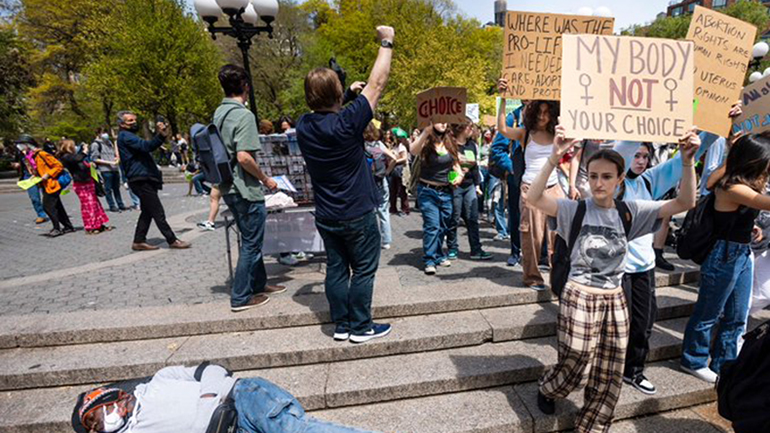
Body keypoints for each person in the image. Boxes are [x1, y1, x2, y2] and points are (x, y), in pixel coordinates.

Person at [530, 124, 699, 433]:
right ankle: (550, 387)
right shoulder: (573, 209)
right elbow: (533, 197)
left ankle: (593, 426)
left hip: (614, 297)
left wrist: (687, 162)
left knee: (609, 372)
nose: (599, 183)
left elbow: (685, 203)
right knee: (577, 360)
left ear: (620, 179)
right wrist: (554, 157)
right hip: (579, 293)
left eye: (607, 176)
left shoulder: (631, 211)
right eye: (593, 176)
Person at [296, 25, 395, 344]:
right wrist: (386, 41)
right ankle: (362, 327)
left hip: (327, 214)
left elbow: (329, 111)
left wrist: (347, 94)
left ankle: (341, 324)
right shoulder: (348, 123)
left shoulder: (303, 125)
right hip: (357, 211)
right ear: (337, 94)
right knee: (363, 269)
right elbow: (377, 83)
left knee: (337, 268)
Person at [681, 132, 770, 384]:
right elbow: (763, 202)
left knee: (737, 315)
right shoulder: (732, 186)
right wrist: (733, 151)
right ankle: (693, 360)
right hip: (724, 254)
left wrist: (751, 226)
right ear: (754, 160)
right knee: (709, 312)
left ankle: (725, 364)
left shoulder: (738, 181)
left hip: (741, 251)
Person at [73, 363, 369, 433]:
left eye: (95, 417)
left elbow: (214, 369)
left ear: (113, 400)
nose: (99, 425)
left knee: (296, 431)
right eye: (93, 428)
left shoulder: (159, 381)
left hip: (242, 399)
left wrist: (208, 402)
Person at [213, 64, 284, 312]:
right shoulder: (243, 116)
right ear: (245, 86)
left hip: (228, 187)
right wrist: (265, 179)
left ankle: (259, 284)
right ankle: (241, 296)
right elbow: (244, 157)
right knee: (252, 243)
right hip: (245, 188)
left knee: (250, 239)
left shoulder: (219, 113)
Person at [497, 79, 563, 290]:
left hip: (554, 189)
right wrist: (503, 98)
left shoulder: (557, 134)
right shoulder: (525, 133)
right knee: (532, 236)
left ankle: (558, 277)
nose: (542, 116)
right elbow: (502, 129)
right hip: (530, 190)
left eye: (547, 112)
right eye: (539, 112)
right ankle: (532, 277)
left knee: (557, 237)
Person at [117, 111, 191, 251]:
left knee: (147, 211)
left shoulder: (129, 135)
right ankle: (172, 240)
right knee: (157, 211)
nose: (134, 122)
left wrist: (161, 135)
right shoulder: (126, 136)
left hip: (142, 177)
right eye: (130, 121)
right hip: (140, 178)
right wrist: (161, 135)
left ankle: (139, 240)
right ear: (122, 124)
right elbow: (147, 146)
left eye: (134, 120)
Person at [410, 123, 464, 275]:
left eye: (445, 120)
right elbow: (413, 150)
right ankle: (429, 260)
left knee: (443, 226)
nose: (443, 123)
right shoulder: (426, 141)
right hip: (428, 191)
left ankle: (439, 254)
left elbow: (456, 164)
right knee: (432, 225)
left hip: (446, 191)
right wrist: (425, 132)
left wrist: (459, 176)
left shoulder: (450, 141)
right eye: (439, 120)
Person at [445, 118, 492, 261]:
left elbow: (475, 166)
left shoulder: (472, 145)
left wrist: (477, 185)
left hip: (470, 185)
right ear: (461, 128)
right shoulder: (451, 144)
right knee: (454, 217)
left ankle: (476, 249)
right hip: (455, 185)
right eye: (469, 127)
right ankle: (452, 248)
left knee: (473, 217)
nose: (472, 130)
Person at [59, 139, 112, 235]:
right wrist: (85, 151)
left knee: (95, 204)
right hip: (81, 184)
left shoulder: (74, 156)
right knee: (88, 205)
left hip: (88, 181)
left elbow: (81, 163)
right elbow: (78, 159)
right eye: (72, 145)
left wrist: (90, 165)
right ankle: (91, 226)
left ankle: (99, 224)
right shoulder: (66, 157)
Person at [32, 140, 75, 237]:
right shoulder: (35, 156)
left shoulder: (42, 154)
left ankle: (57, 228)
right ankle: (68, 226)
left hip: (52, 184)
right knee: (57, 206)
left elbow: (58, 166)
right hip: (46, 184)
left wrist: (48, 174)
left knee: (48, 206)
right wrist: (35, 176)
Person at [364, 122, 395, 250]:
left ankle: (370, 240)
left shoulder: (361, 145)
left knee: (368, 211)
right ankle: (386, 241)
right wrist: (387, 172)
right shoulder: (379, 144)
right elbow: (394, 158)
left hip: (367, 182)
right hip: (381, 180)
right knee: (383, 211)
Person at [12, 135, 48, 224]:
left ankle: (53, 212)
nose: (19, 146)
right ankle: (41, 215)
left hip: (41, 175)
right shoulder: (19, 153)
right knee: (34, 197)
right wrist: (16, 165)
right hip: (28, 176)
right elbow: (16, 162)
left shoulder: (38, 152)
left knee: (48, 196)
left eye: (21, 143)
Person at [90, 128, 127, 212]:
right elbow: (95, 158)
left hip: (115, 169)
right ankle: (112, 205)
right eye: (103, 132)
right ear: (98, 133)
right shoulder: (95, 144)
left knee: (116, 188)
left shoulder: (109, 142)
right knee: (108, 189)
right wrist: (109, 162)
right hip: (105, 169)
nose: (106, 135)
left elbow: (115, 153)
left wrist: (115, 141)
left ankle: (120, 204)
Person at [388, 135, 410, 216]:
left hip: (401, 169)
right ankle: (393, 208)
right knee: (392, 190)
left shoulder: (401, 147)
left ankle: (405, 209)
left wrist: (395, 160)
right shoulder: (393, 147)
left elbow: (404, 158)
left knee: (402, 190)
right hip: (393, 169)